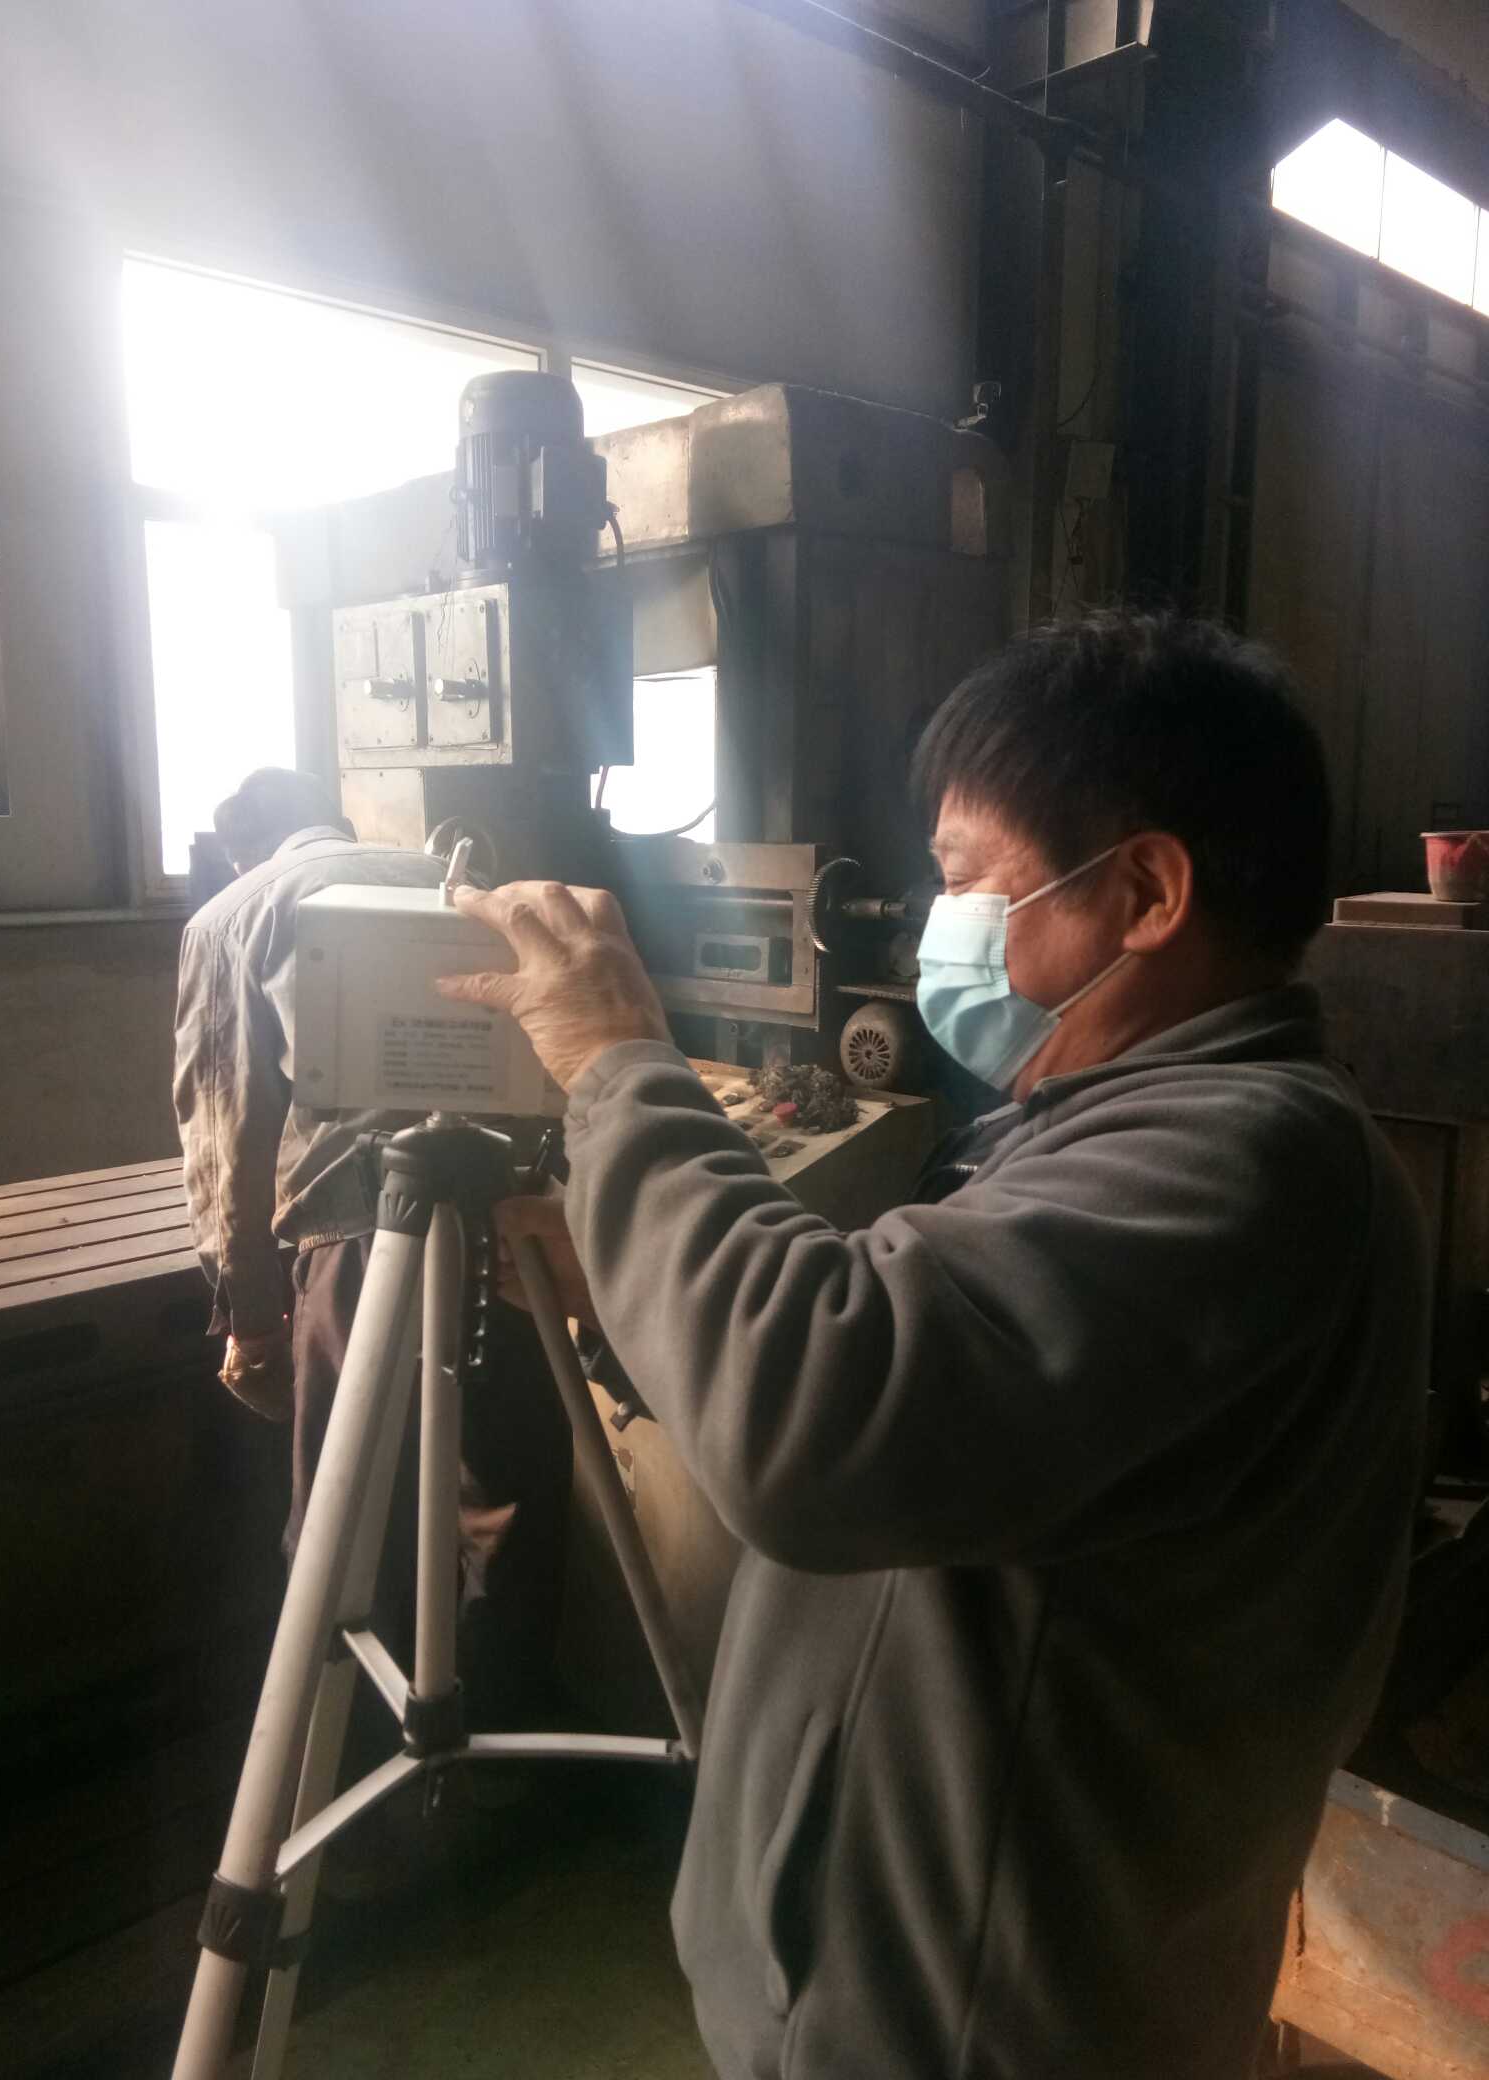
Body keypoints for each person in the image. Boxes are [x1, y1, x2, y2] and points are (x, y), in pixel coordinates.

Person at [439, 614, 1429, 2080]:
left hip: (985, 2033)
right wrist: (634, 1291)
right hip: (907, 2002)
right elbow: (940, 1412)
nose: (934, 923)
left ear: (1147, 892)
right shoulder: (1089, 1128)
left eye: (966, 877)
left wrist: (620, 1063)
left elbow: (817, 1416)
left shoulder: (1251, 1157)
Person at [173, 767, 569, 1729]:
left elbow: (226, 1129)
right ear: (334, 821)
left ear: (241, 850)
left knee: (348, 1520)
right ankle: (506, 1751)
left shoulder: (233, 915)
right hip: (508, 1222)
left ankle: (343, 1773)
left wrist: (250, 1316)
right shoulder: (449, 879)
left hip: (361, 1236)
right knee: (508, 1497)